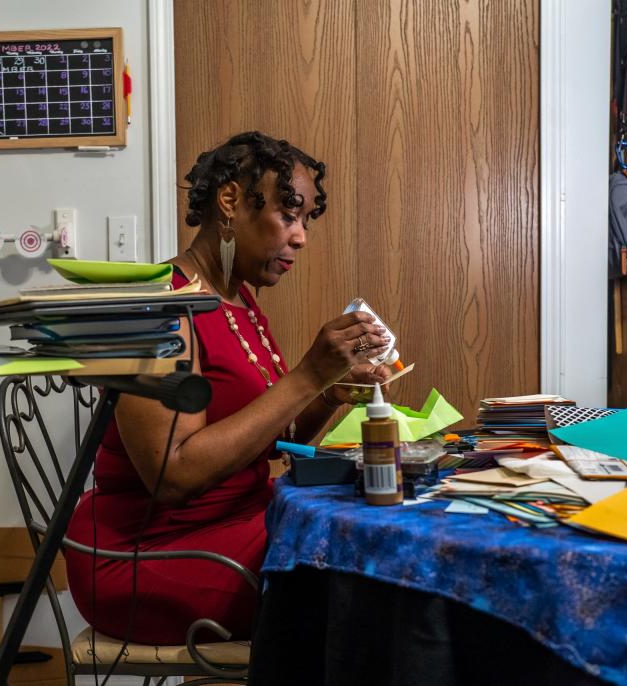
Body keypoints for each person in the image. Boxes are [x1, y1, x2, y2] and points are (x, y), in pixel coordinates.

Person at [65, 131, 394, 645]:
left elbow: (273, 437)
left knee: (379, 539)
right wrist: (308, 375)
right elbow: (171, 476)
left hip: (241, 521)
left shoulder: (239, 304)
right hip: (152, 552)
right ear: (230, 201)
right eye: (289, 214)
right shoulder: (153, 307)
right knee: (369, 581)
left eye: (305, 219)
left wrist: (330, 387)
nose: (302, 236)